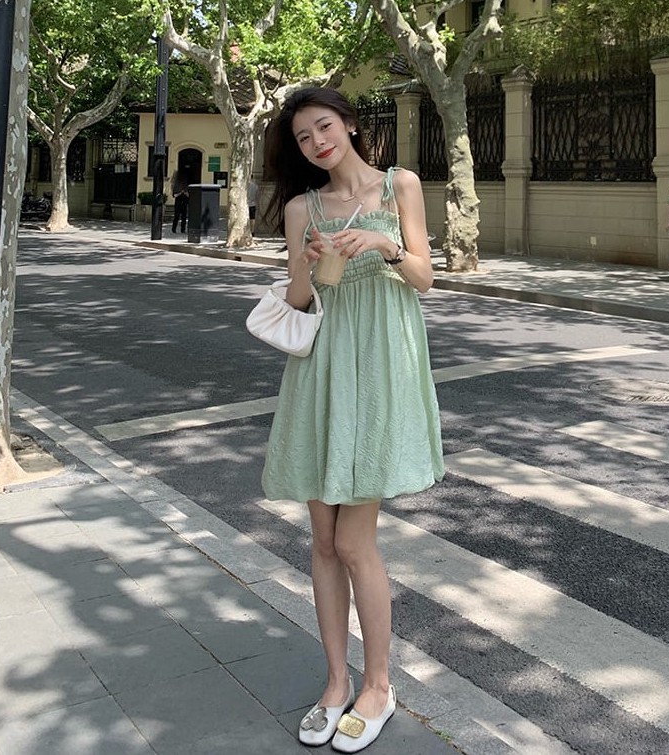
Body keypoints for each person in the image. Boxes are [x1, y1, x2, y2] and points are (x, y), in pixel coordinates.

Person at [262, 87, 444, 753]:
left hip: (382, 368)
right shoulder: (301, 208)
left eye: (324, 127)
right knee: (321, 539)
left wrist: (384, 245)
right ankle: (336, 682)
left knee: (352, 541)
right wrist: (307, 264)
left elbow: (424, 278)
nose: (317, 142)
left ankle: (378, 685)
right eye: (304, 137)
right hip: (322, 369)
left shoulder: (401, 185)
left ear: (349, 125)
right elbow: (298, 300)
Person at [171, 168, 190, 233]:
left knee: (184, 217)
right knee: (176, 216)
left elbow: (188, 195)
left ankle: (183, 229)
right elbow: (174, 195)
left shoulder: (186, 186)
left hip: (184, 202)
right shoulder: (176, 186)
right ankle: (174, 229)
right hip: (178, 202)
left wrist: (185, 193)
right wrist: (180, 193)